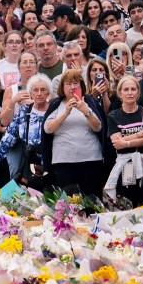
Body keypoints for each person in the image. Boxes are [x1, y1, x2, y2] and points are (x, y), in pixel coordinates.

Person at [43, 68, 105, 196]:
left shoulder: (90, 102)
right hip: (63, 163)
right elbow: (47, 129)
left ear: (81, 85)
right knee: (68, 206)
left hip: (90, 161)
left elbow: (98, 127)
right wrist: (65, 113)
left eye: (75, 83)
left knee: (92, 203)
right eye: (68, 84)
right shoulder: (56, 104)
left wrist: (85, 111)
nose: (72, 87)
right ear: (62, 87)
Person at [0, 74, 52, 188]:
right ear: (30, 93)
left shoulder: (53, 110)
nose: (39, 93)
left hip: (50, 162)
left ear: (48, 93)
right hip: (31, 165)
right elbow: (10, 135)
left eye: (43, 90)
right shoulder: (24, 111)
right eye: (35, 90)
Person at [106, 75, 143, 203]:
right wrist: (141, 135)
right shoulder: (114, 115)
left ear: (138, 92)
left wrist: (127, 141)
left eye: (133, 89)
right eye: (126, 90)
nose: (130, 93)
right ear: (119, 93)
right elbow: (117, 143)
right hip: (127, 164)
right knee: (129, 199)